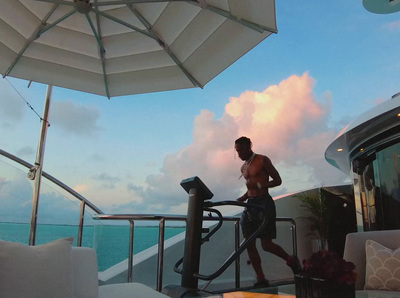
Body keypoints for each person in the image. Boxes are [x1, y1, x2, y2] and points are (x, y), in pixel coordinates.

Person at [234, 136, 301, 287]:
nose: (239, 154)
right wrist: (244, 197)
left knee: (266, 244)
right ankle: (261, 278)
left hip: (264, 203)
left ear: (249, 146)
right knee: (249, 243)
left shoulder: (262, 160)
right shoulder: (243, 167)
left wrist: (261, 186)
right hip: (250, 205)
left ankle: (291, 260)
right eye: (237, 152)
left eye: (241, 150)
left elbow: (278, 180)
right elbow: (249, 187)